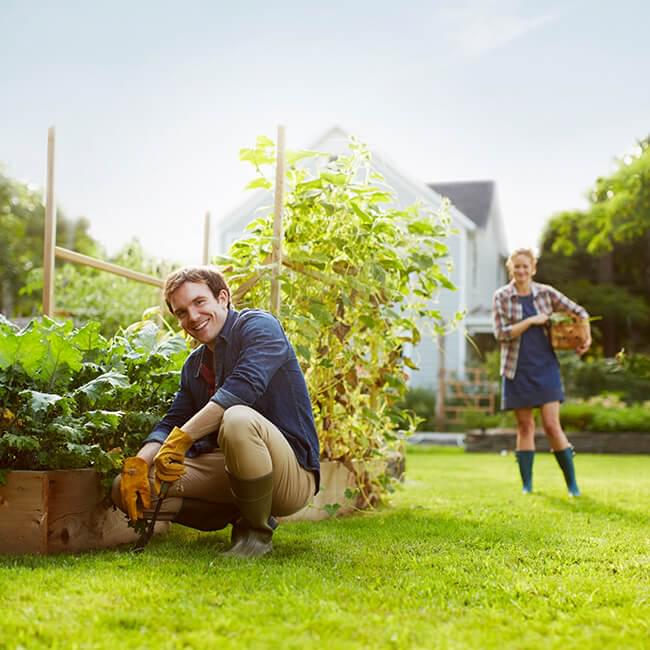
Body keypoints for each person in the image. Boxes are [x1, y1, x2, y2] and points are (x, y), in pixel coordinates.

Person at [112, 266, 320, 557]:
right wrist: (140, 463)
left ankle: (255, 536)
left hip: (290, 475)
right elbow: (173, 420)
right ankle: (235, 513)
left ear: (222, 298)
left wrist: (182, 440)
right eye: (182, 312)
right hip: (230, 470)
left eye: (199, 302)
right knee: (125, 487)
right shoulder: (195, 366)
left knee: (237, 417)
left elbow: (242, 389)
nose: (193, 317)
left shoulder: (259, 326)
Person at [492, 248, 591, 496]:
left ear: (533, 268)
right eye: (517, 267)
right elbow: (501, 334)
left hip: (546, 368)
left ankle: (572, 485)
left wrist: (584, 338)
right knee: (525, 426)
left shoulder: (546, 293)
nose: (521, 271)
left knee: (551, 425)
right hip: (516, 369)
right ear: (511, 269)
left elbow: (580, 312)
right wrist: (531, 321)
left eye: (526, 266)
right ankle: (527, 485)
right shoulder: (501, 297)